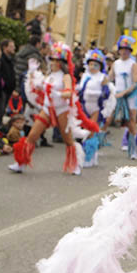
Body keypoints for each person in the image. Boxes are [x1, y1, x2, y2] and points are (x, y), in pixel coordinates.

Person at [9, 43, 85, 175]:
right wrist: (32, 72)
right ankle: (21, 163)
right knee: (32, 135)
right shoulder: (49, 75)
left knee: (67, 139)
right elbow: (36, 87)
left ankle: (75, 164)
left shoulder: (65, 76)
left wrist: (59, 94)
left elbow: (69, 92)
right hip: (47, 109)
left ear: (62, 62)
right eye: (52, 59)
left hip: (61, 109)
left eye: (57, 60)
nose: (54, 62)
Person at [108, 35, 137, 159]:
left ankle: (134, 149)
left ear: (130, 51)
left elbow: (135, 82)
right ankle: (96, 147)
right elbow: (110, 77)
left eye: (126, 49)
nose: (124, 51)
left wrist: (124, 93)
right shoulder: (116, 64)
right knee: (108, 118)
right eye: (122, 49)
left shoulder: (133, 64)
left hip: (130, 96)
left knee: (131, 121)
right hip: (118, 95)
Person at [76, 48, 111, 167]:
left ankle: (89, 157)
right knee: (84, 131)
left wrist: (100, 94)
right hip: (84, 106)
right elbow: (80, 89)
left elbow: (107, 94)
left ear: (100, 66)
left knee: (91, 131)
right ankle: (90, 154)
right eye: (90, 64)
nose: (92, 66)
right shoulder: (85, 75)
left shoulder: (103, 77)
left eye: (95, 64)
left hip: (96, 107)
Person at [0, 38, 17, 121]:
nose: (14, 48)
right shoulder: (1, 59)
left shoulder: (10, 59)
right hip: (2, 90)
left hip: (8, 90)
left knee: (2, 110)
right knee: (0, 110)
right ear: (5, 47)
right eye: (11, 46)